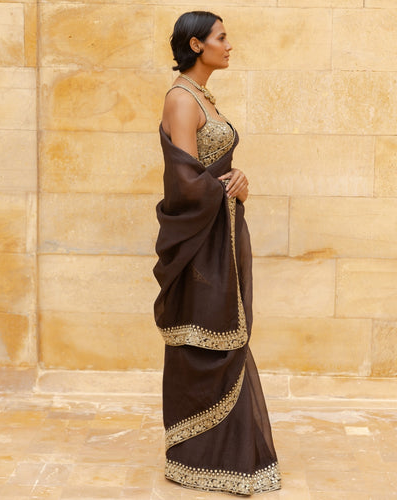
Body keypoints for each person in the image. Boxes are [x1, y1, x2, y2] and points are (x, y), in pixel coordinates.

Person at [153, 11, 281, 496]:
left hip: (222, 233)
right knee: (205, 335)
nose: (229, 46)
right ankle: (198, 457)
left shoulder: (203, 96)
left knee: (229, 333)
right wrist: (228, 189)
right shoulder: (181, 99)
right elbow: (185, 183)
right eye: (221, 38)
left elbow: (209, 170)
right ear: (196, 44)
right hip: (199, 242)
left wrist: (239, 184)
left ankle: (229, 454)